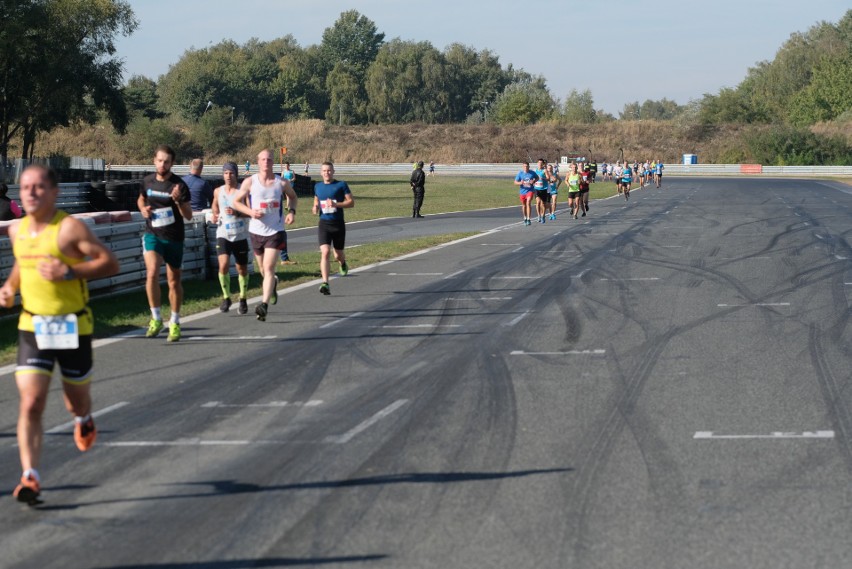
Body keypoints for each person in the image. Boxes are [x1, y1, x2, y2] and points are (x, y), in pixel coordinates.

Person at [0, 165, 119, 505]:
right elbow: (22, 265)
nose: (31, 193)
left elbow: (110, 262)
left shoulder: (69, 228)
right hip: (33, 325)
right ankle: (30, 477)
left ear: (54, 192)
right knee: (31, 402)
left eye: (39, 187)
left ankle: (83, 419)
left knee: (75, 401)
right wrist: (8, 289)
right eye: (25, 187)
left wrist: (69, 271)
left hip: (72, 325)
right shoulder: (17, 230)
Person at [231, 149, 297, 321]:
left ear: (273, 162)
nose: (266, 162)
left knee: (268, 268)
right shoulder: (250, 182)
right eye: (263, 159)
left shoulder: (281, 182)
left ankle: (264, 305)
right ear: (258, 162)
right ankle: (273, 284)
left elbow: (293, 197)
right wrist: (251, 212)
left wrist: (292, 212)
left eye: (269, 159)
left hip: (275, 231)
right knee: (263, 270)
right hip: (256, 231)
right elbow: (236, 203)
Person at [138, 144, 193, 342]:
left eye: (167, 161)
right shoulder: (147, 181)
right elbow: (141, 199)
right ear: (154, 161)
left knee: (173, 280)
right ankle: (156, 318)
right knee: (152, 272)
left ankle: (175, 321)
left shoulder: (179, 186)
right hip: (153, 234)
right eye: (160, 160)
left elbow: (188, 216)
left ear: (172, 163)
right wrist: (143, 209)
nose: (162, 164)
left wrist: (178, 202)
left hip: (174, 237)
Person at [212, 162, 250, 315]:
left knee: (242, 269)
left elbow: (250, 211)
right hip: (223, 233)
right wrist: (215, 214)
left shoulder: (242, 191)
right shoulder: (217, 191)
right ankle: (226, 297)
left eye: (231, 173)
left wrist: (237, 213)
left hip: (240, 234)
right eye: (226, 173)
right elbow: (215, 205)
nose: (228, 176)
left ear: (236, 174)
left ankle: (243, 298)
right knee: (223, 265)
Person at [312, 162, 354, 295]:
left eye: (329, 170)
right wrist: (315, 207)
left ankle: (342, 263)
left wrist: (337, 204)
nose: (327, 173)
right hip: (324, 224)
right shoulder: (317, 186)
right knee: (325, 252)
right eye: (324, 171)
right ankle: (325, 283)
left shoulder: (341, 185)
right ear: (321, 172)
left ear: (333, 171)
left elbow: (351, 202)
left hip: (338, 224)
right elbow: (316, 198)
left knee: (338, 254)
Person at [278, 162, 296, 265]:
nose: (287, 167)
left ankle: (284, 259)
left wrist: (291, 211)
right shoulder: (283, 173)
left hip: (290, 185)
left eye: (288, 165)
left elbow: (294, 178)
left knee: (282, 236)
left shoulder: (291, 172)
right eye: (286, 165)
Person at [514, 162, 538, 226]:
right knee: (524, 205)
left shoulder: (532, 173)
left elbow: (537, 177)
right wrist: (520, 183)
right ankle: (525, 217)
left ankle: (529, 218)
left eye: (527, 166)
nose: (526, 167)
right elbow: (515, 182)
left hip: (530, 190)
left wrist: (534, 181)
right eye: (524, 166)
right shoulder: (520, 173)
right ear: (523, 167)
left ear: (529, 167)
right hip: (522, 191)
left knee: (528, 202)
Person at [533, 158, 549, 223]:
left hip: (544, 189)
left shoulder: (544, 170)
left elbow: (548, 178)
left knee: (543, 204)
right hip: (537, 189)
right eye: (539, 163)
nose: (540, 164)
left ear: (543, 164)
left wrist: (543, 178)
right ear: (537, 163)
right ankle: (539, 216)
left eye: (541, 163)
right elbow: (532, 178)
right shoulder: (535, 171)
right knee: (538, 202)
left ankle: (543, 216)